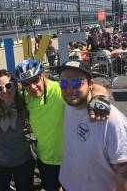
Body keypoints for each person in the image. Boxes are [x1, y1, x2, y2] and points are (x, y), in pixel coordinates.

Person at [15, 59, 110, 191]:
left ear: (43, 75)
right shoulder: (25, 97)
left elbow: (95, 87)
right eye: (26, 83)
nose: (32, 86)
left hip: (71, 159)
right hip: (46, 160)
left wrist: (100, 97)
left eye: (35, 80)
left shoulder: (60, 88)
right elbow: (3, 96)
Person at [56, 60, 127, 191]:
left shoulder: (110, 120)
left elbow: (123, 172)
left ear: (90, 84)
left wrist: (100, 96)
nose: (70, 89)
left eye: (77, 83)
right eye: (64, 83)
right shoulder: (68, 105)